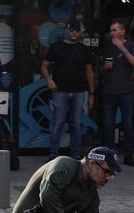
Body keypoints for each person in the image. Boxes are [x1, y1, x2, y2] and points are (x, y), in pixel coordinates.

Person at [40, 19, 95, 161]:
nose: (74, 33)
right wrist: (49, 80)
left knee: (75, 123)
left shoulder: (84, 50)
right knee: (58, 123)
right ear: (67, 30)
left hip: (78, 91)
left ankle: (75, 155)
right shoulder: (56, 47)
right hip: (60, 90)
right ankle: (53, 155)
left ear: (80, 32)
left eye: (77, 30)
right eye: (72, 30)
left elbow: (90, 72)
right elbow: (44, 65)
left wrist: (92, 93)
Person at [101, 21, 134, 167]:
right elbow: (102, 69)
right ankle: (110, 156)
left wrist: (122, 48)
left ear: (122, 31)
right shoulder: (108, 47)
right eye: (111, 30)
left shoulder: (130, 46)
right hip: (109, 91)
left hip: (126, 91)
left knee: (127, 124)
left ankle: (129, 155)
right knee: (108, 124)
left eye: (115, 30)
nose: (112, 33)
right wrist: (105, 67)